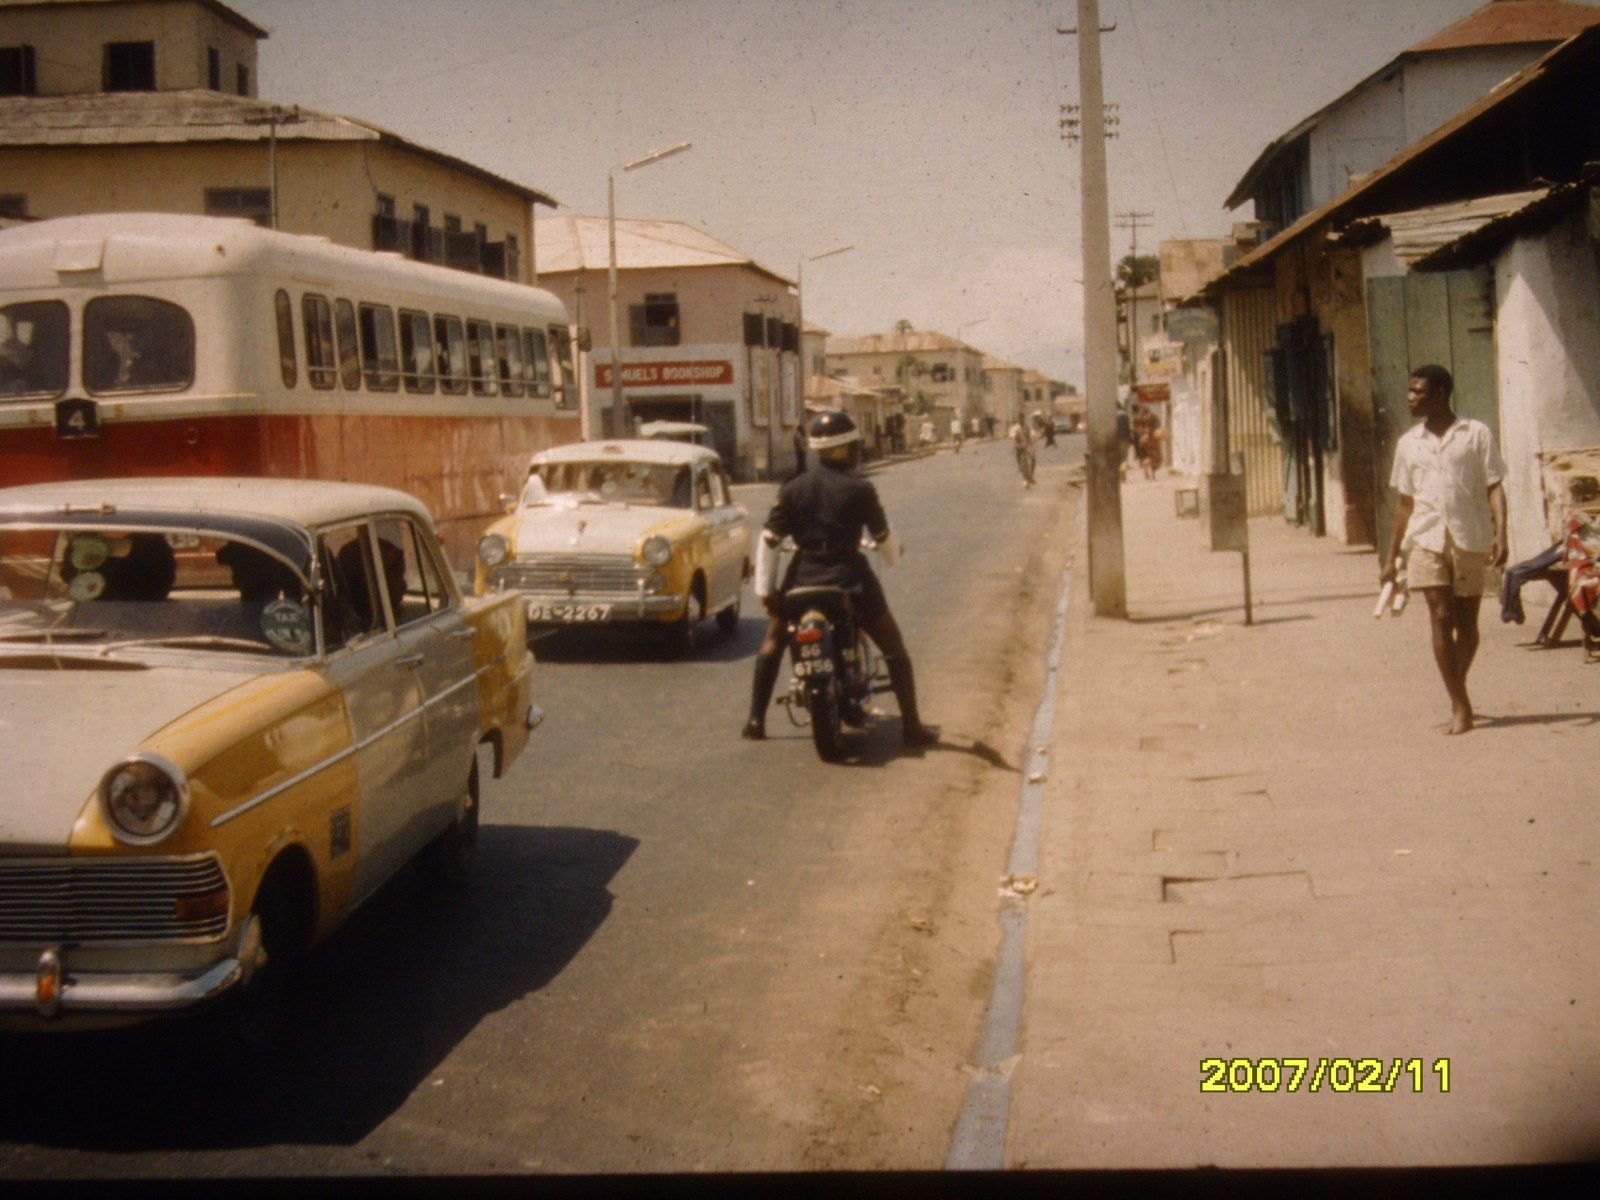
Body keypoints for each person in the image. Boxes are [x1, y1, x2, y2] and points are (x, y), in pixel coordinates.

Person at [742, 410, 936, 747]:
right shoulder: (860, 489)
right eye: (854, 447)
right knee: (892, 642)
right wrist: (894, 555)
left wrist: (766, 591)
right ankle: (912, 727)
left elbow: (769, 540)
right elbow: (882, 535)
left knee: (774, 637)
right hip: (848, 576)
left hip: (802, 576)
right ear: (846, 449)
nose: (858, 452)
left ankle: (755, 721)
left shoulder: (793, 488)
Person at [1379, 364, 1507, 735]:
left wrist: (1502, 533)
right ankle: (1461, 704)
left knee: (1467, 626)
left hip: (1470, 537)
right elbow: (1405, 501)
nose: (1410, 398)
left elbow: (1494, 485)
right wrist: (1391, 556)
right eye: (1410, 391)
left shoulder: (1475, 434)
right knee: (1441, 615)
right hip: (1426, 539)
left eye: (1418, 392)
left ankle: (1456, 692)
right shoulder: (1408, 443)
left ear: (1439, 394)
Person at [1009, 414, 1035, 488]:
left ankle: (1031, 476)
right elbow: (1013, 438)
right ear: (1018, 420)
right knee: (1022, 463)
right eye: (1020, 419)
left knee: (1033, 459)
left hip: (1027, 447)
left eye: (1022, 419)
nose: (1021, 421)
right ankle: (1021, 468)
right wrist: (1016, 445)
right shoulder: (1015, 428)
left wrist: (1031, 444)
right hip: (1019, 447)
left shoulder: (1028, 427)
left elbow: (1032, 436)